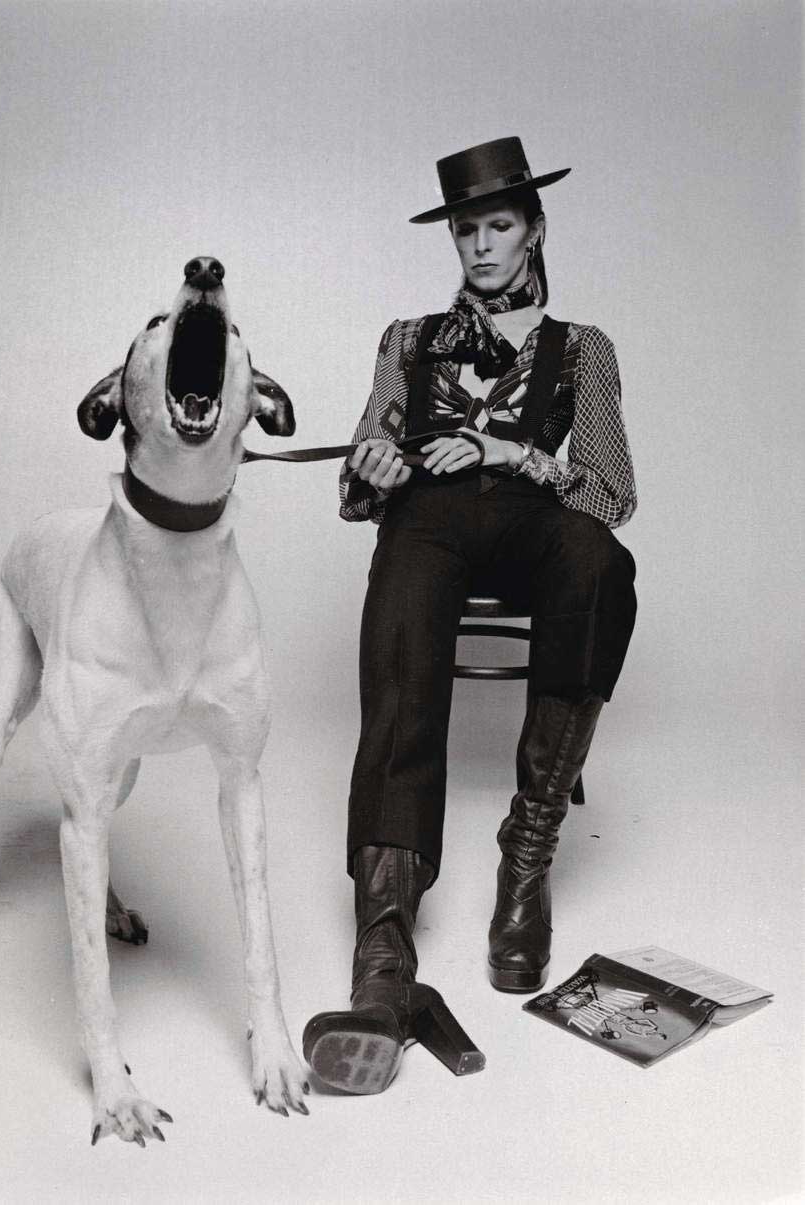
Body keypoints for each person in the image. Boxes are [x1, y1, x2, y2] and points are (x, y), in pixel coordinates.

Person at [302, 137, 638, 1095]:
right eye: (467, 230)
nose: (481, 247)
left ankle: (525, 856)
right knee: (404, 587)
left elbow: (611, 492)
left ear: (534, 231)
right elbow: (359, 479)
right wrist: (371, 470)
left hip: (537, 518)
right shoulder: (408, 339)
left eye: (499, 226)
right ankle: (384, 941)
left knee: (600, 561)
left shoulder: (583, 348)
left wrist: (503, 447)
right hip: (431, 525)